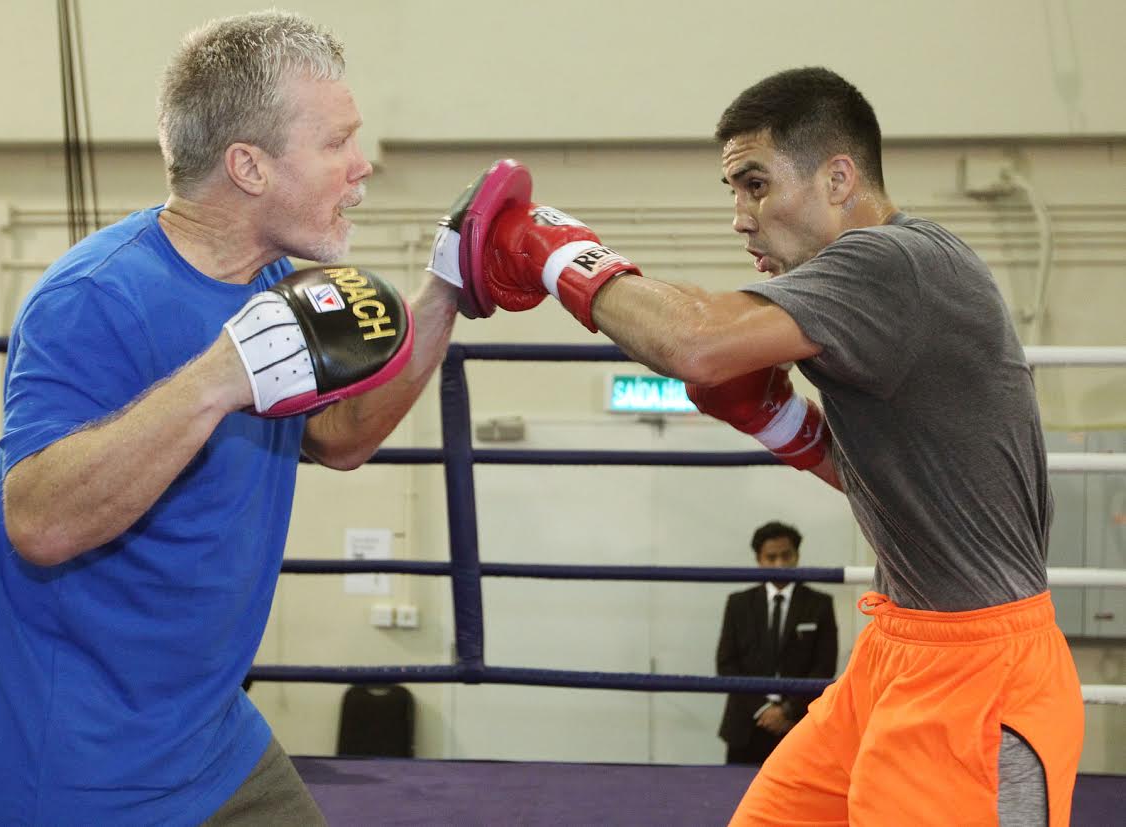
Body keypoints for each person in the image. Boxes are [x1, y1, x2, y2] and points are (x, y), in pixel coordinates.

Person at [436, 68, 1085, 826]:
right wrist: (780, 422)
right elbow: (898, 480)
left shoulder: (890, 264)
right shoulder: (879, 287)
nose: (740, 217)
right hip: (897, 648)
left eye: (754, 184)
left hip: (977, 673)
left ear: (838, 177)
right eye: (733, 192)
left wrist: (554, 251)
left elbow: (696, 344)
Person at [0, 12, 462, 826]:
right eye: (337, 142)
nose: (363, 165)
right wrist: (218, 375)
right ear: (248, 165)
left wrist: (447, 290)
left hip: (213, 742)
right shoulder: (94, 297)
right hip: (82, 763)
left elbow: (340, 435)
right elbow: (37, 519)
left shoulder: (273, 279)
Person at [716, 521, 837, 765]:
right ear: (759, 560)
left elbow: (823, 667)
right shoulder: (739, 603)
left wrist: (787, 711)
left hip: (798, 724)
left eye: (786, 555)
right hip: (746, 725)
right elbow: (727, 664)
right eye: (771, 557)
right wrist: (763, 710)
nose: (780, 564)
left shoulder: (819, 604)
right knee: (736, 796)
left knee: (797, 800)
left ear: (797, 556)